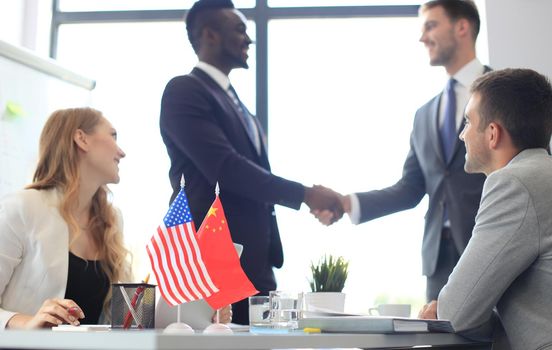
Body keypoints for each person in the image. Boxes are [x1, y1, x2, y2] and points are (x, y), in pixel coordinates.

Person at [159, 0, 343, 324]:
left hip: (256, 262)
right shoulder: (184, 91)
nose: (248, 39)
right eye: (240, 29)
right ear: (210, 36)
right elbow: (226, 168)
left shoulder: (239, 106)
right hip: (211, 261)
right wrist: (305, 194)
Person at [315, 0, 488, 301]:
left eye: (431, 26)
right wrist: (346, 203)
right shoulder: (424, 115)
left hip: (490, 248)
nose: (423, 38)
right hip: (438, 262)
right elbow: (410, 189)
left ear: (462, 27)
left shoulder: (505, 93)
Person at [419, 68, 552, 350]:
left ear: (493, 134)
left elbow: (456, 312)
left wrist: (442, 307)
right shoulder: (542, 173)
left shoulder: (513, 183)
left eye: (468, 122)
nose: (462, 135)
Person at [0, 107, 130, 329]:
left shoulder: (112, 220)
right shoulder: (21, 208)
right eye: (113, 135)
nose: (121, 152)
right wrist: (28, 323)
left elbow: (122, 319)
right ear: (81, 139)